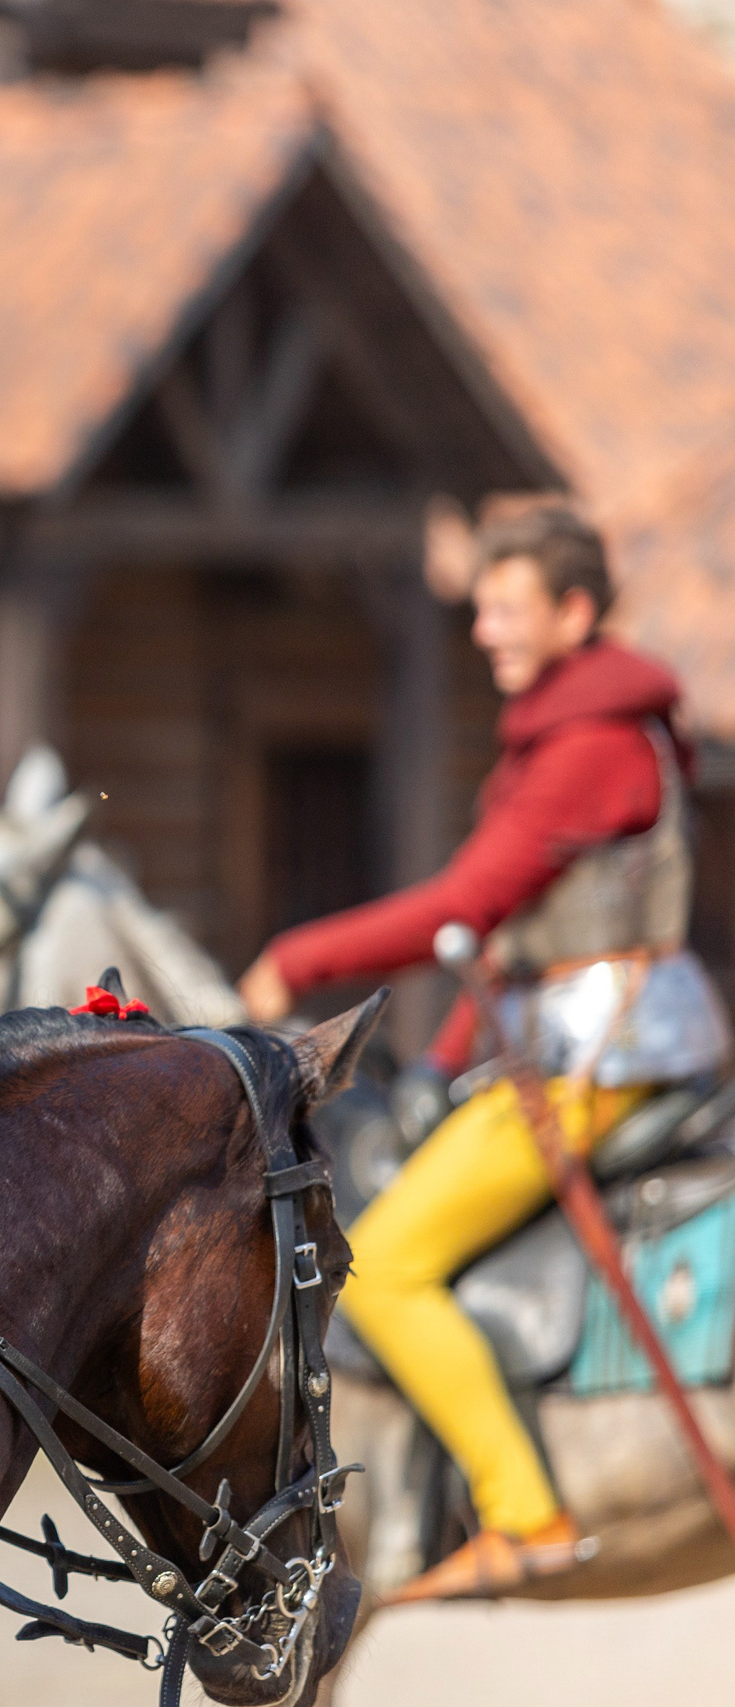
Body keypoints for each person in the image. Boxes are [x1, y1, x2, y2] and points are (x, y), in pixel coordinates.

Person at [238, 502, 730, 1602]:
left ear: (573, 612)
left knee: (386, 1270)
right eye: (480, 610)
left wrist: (294, 958)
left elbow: (460, 904)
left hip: (601, 1064)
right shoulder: (574, 737)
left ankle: (523, 1510)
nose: (484, 632)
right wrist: (425, 1073)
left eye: (506, 610)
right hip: (573, 1046)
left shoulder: (591, 751)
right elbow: (496, 949)